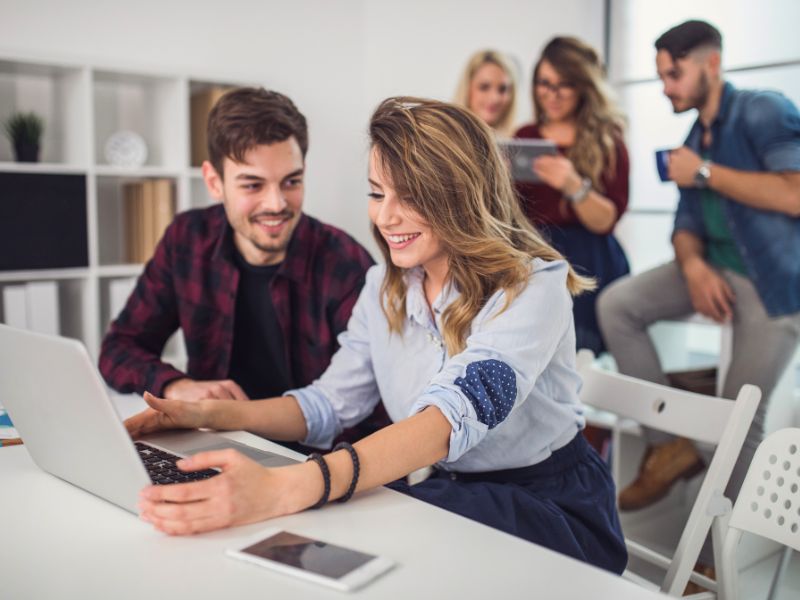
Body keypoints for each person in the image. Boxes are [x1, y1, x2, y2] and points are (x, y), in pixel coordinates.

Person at [125, 97, 628, 574]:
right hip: (456, 493)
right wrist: (211, 414)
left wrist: (289, 486)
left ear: (459, 193)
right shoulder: (383, 287)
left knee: (346, 528)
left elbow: (450, 417)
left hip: (553, 510)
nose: (386, 216)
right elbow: (328, 405)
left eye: (410, 196)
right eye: (376, 193)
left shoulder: (533, 285)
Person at [99, 87, 387, 446]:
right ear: (214, 182)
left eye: (291, 181)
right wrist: (178, 387)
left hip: (313, 460)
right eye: (253, 184)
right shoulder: (187, 239)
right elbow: (119, 347)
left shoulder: (345, 264)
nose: (277, 203)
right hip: (212, 440)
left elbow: (372, 409)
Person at [597, 20, 800, 517]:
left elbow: (795, 192)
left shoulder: (763, 109)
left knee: (738, 420)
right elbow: (684, 224)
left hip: (772, 282)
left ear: (711, 63)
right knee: (616, 305)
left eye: (674, 74)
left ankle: (720, 561)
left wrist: (705, 173)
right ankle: (669, 446)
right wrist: (691, 266)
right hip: (711, 268)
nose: (666, 87)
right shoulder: (694, 135)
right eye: (661, 76)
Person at [514, 36, 630, 355]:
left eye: (563, 85)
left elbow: (605, 220)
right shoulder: (525, 137)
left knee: (580, 353)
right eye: (543, 84)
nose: (551, 95)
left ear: (583, 87)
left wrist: (573, 185)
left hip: (589, 261)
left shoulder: (608, 140)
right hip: (536, 257)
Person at [453, 49, 517, 137]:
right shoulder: (448, 138)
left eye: (503, 89)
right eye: (484, 87)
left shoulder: (521, 138)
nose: (495, 98)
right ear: (467, 89)